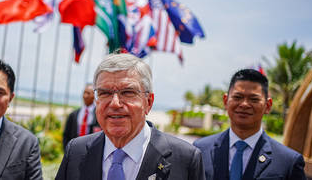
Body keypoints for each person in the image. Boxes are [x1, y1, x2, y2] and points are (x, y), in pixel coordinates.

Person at [56, 53, 204, 180]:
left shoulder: (185, 159)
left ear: (148, 102)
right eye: (105, 93)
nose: (115, 103)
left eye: (127, 92)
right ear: (97, 101)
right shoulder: (76, 151)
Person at [193, 69, 306, 180]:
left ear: (268, 106)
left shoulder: (288, 161)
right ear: (225, 101)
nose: (244, 104)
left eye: (254, 99)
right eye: (237, 97)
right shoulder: (200, 150)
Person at [62, 83, 101, 152]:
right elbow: (66, 134)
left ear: (94, 96)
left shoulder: (99, 115)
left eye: (88, 93)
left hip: (91, 151)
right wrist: (67, 150)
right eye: (84, 93)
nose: (85, 96)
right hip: (74, 151)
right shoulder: (74, 114)